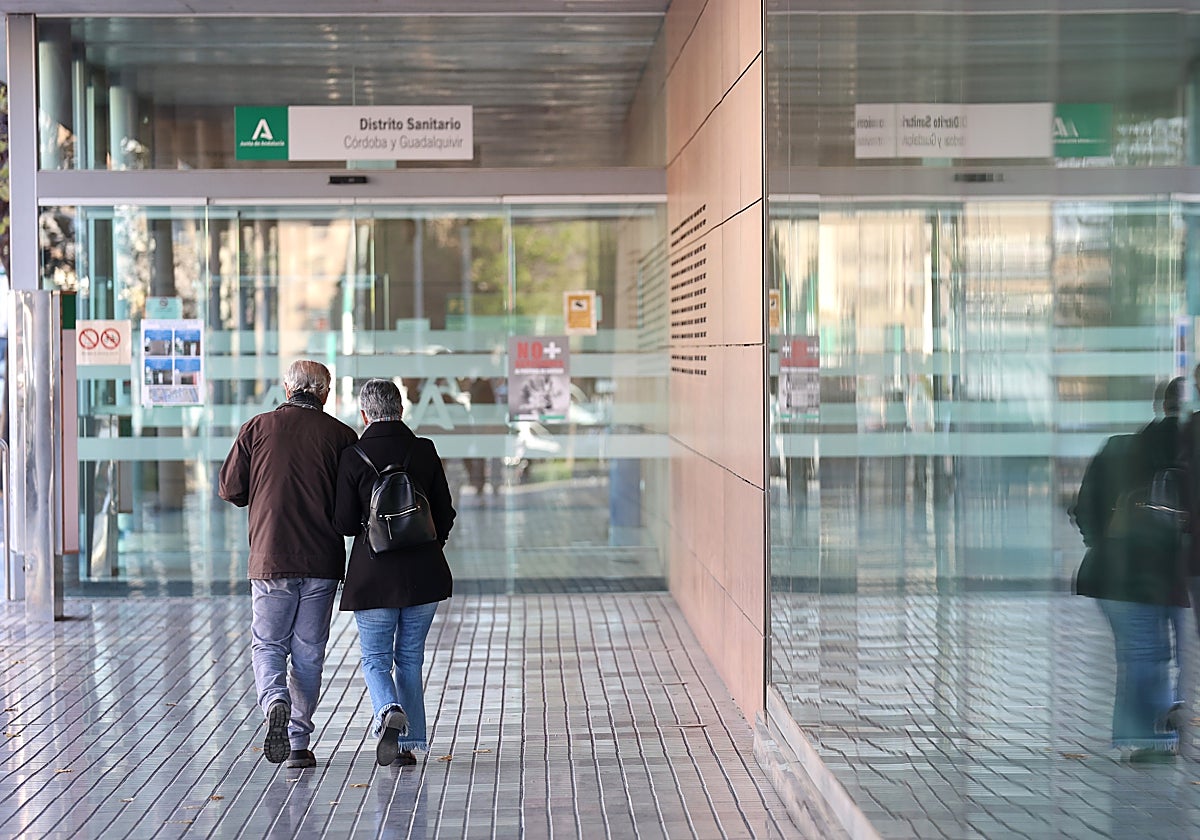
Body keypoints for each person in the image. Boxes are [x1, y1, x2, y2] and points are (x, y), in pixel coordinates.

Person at [218, 360, 358, 769]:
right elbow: (349, 505)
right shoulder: (341, 435)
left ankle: (275, 700)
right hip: (322, 558)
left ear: (286, 388)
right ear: (325, 393)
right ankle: (298, 740)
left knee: (269, 644)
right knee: (309, 652)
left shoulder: (257, 428)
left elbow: (230, 489)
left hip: (271, 556)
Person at [334, 378, 456, 767]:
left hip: (373, 576)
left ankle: (388, 711)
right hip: (424, 572)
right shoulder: (424, 450)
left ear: (365, 414)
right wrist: (428, 544)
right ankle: (408, 744)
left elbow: (342, 522)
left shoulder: (354, 456)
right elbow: (445, 511)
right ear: (401, 410)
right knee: (409, 657)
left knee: (375, 659)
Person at [1073, 377, 1189, 761]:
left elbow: (1084, 508)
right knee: (1150, 653)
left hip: (1119, 571)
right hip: (1150, 575)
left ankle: (1146, 735)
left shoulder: (1122, 447)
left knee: (1145, 653)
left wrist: (1104, 542)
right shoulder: (1179, 449)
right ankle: (1151, 737)